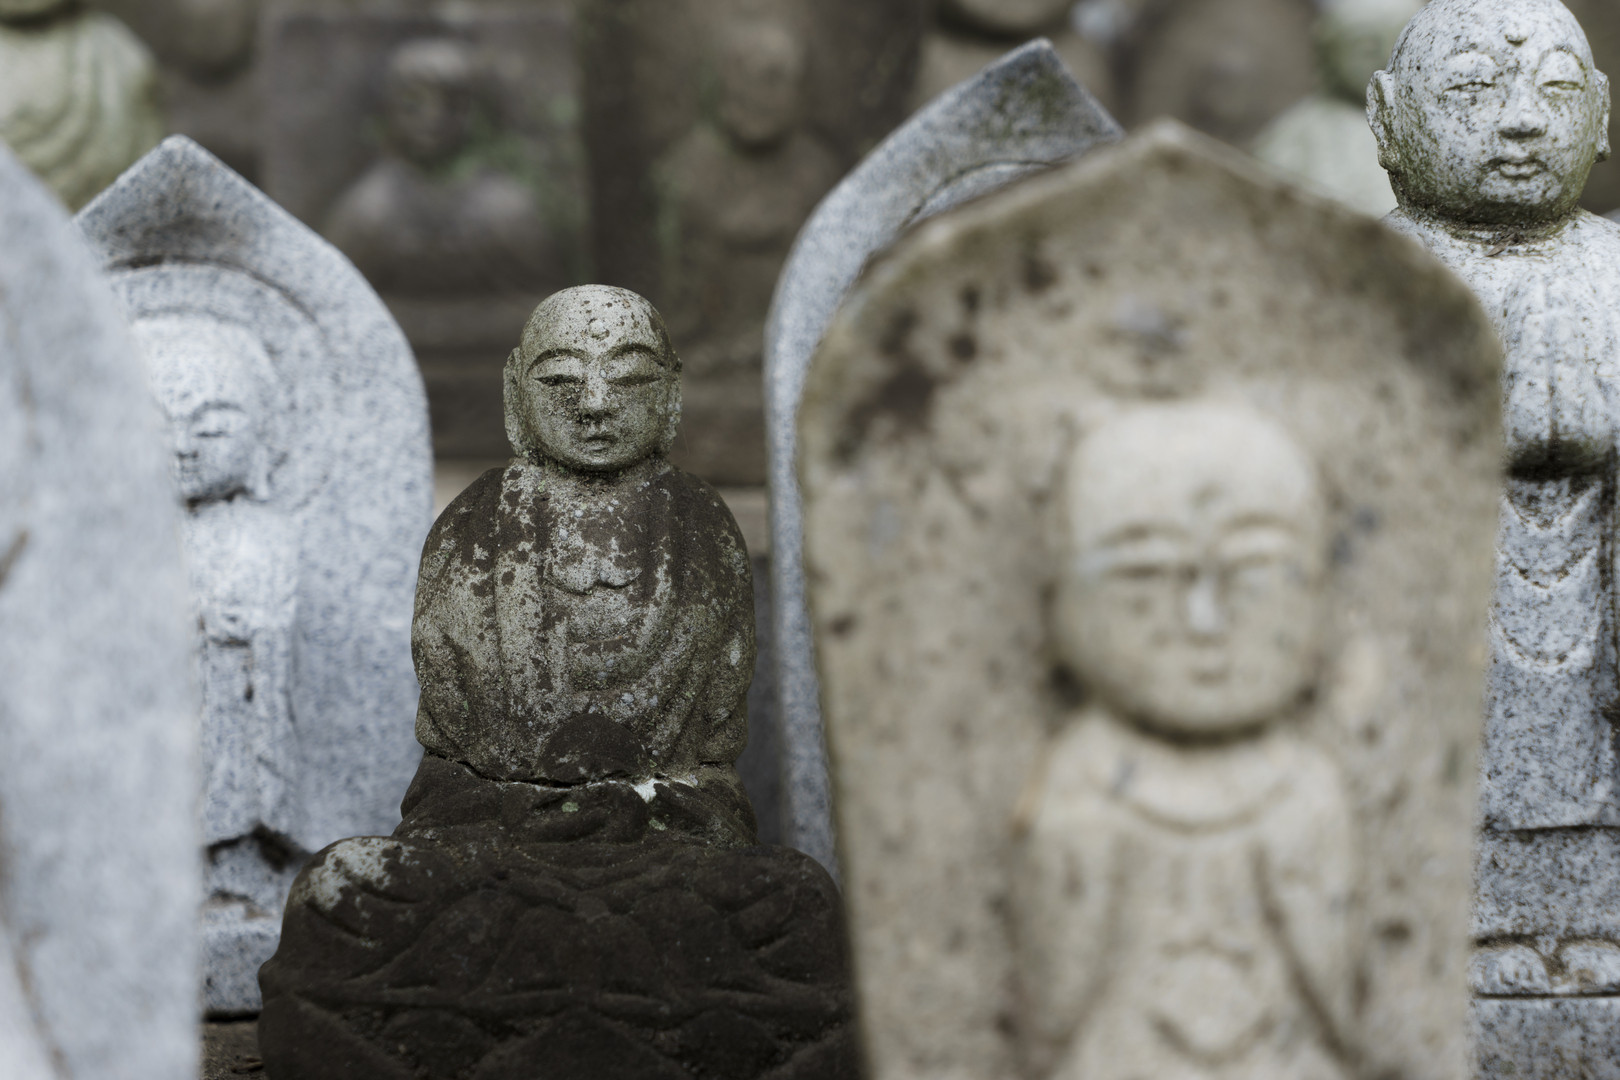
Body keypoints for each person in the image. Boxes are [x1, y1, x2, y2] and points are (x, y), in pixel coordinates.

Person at [1370, 0, 1620, 996]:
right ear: (1388, 119)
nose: (1520, 121)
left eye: (1556, 92)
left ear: (1601, 115)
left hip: (1595, 591)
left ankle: (1590, 929)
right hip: (1438, 594)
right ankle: (1452, 929)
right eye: (1473, 90)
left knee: (1586, 774)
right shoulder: (1370, 280)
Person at [1012, 401, 1355, 1080]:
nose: (1204, 621)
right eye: (1146, 573)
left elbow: (1344, 1006)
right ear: (1060, 602)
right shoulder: (1078, 784)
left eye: (1253, 572)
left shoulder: (1307, 787)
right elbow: (1047, 1015)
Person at [136, 315, 301, 1003]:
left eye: (209, 429)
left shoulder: (265, 534)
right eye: (159, 424)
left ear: (259, 437)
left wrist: (250, 631)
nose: (183, 446)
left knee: (227, 790)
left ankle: (235, 878)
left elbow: (278, 621)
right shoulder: (125, 532)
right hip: (154, 702)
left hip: (230, 697)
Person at [1253, 0, 1422, 217]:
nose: (1384, 57)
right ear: (1331, 51)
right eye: (1367, 48)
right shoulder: (1301, 135)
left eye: (1397, 45)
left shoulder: (1422, 129)